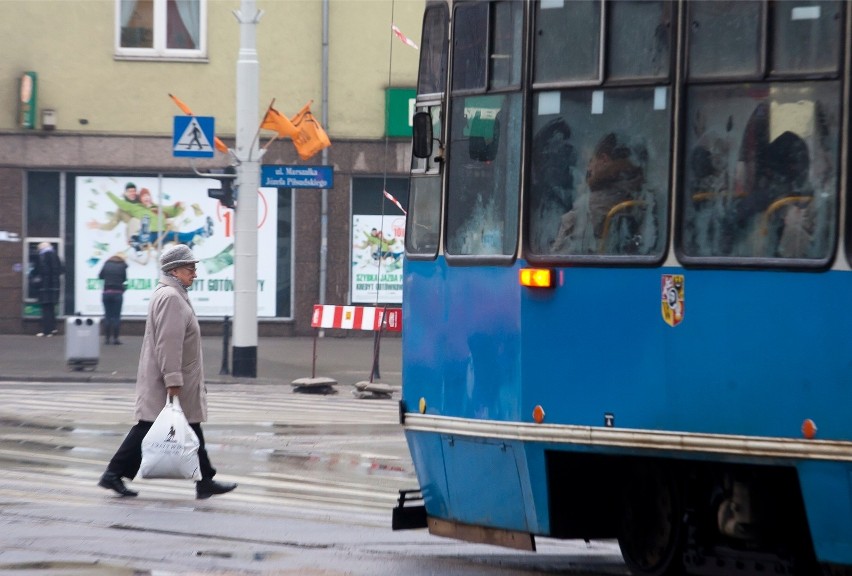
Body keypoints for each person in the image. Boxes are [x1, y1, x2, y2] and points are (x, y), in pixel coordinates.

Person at [98, 244, 237, 499]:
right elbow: (168, 342)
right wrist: (173, 379)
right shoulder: (171, 298)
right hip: (170, 378)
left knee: (190, 427)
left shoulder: (174, 294)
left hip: (176, 376)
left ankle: (204, 480)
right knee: (148, 426)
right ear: (174, 271)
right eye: (190, 269)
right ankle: (113, 473)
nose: (194, 273)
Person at [33, 242, 64, 337]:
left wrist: (36, 278)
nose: (38, 250)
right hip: (54, 287)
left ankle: (47, 331)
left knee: (45, 309)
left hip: (45, 287)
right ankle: (53, 328)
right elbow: (62, 269)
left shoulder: (43, 256)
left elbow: (40, 271)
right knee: (51, 308)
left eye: (39, 248)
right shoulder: (56, 256)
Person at [98, 253, 128, 345]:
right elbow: (124, 279)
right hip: (118, 293)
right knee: (116, 317)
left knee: (107, 316)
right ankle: (115, 339)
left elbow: (100, 276)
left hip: (107, 293)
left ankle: (107, 339)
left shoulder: (106, 264)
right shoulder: (122, 265)